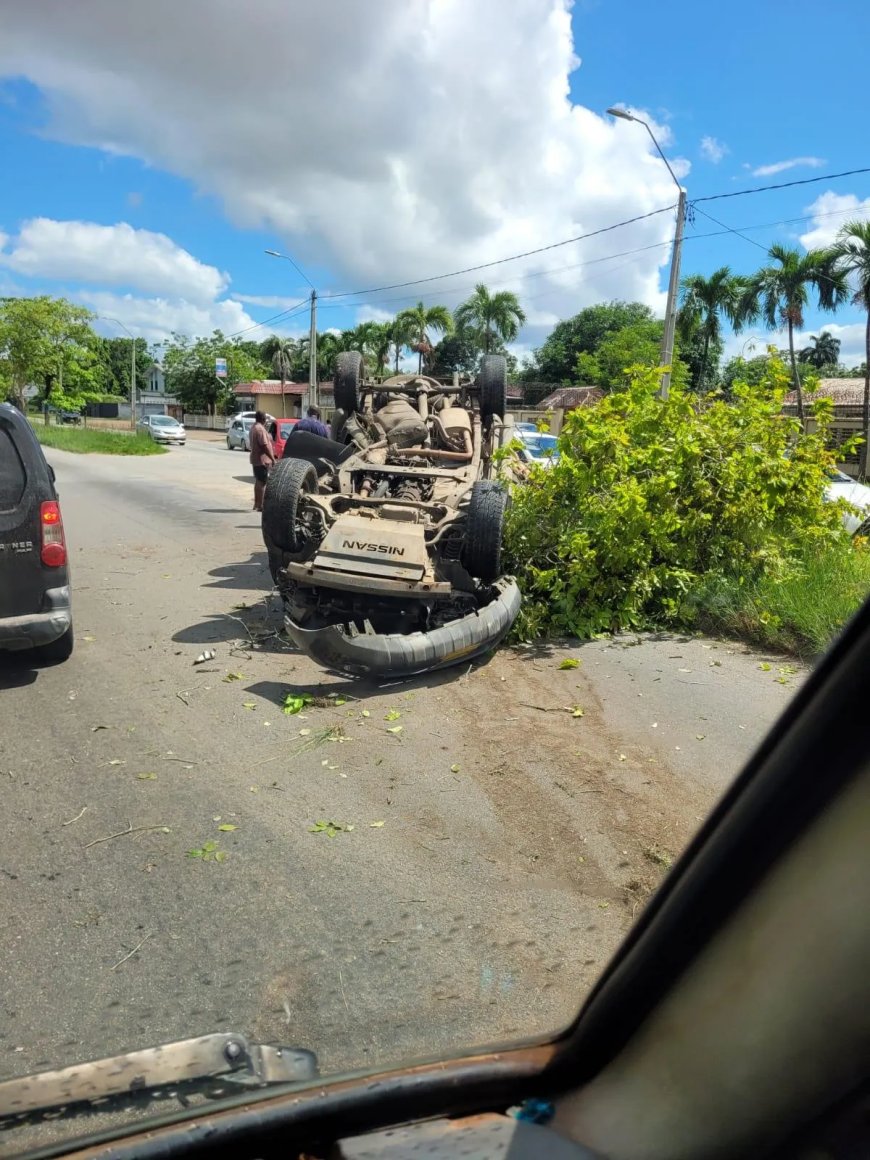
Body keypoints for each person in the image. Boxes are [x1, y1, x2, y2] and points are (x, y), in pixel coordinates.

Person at [248, 411, 275, 512]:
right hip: (261, 460)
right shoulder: (260, 429)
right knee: (262, 482)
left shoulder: (254, 427)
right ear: (263, 419)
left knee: (258, 481)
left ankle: (257, 504)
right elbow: (264, 446)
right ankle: (260, 505)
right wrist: (272, 458)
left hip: (256, 458)